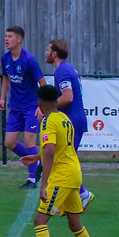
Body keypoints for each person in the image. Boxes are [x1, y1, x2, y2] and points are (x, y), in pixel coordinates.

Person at [20, 85, 109, 237]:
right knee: (74, 223)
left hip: (62, 177)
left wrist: (43, 185)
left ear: (41, 102)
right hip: (75, 173)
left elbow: (51, 151)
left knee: (39, 220)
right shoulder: (64, 118)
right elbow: (59, 148)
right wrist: (36, 156)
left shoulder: (48, 121)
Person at [45, 39, 94, 210]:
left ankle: (81, 195)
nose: (45, 53)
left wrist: (49, 108)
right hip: (73, 120)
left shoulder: (62, 71)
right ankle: (78, 196)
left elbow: (68, 97)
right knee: (64, 160)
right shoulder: (67, 68)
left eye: (47, 50)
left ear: (54, 54)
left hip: (72, 122)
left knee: (63, 161)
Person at [0, 26, 47, 188]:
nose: (6, 39)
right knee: (9, 143)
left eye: (10, 36)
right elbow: (6, 79)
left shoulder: (29, 60)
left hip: (31, 108)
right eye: (6, 36)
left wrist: (42, 105)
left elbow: (43, 83)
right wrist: (2, 98)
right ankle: (37, 161)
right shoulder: (5, 59)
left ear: (19, 39)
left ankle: (32, 179)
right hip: (15, 108)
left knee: (29, 142)